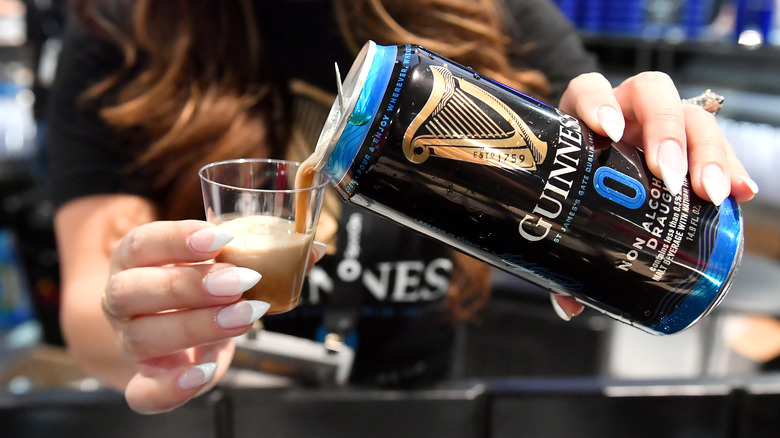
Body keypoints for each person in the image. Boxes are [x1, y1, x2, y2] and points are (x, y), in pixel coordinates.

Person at [46, 0, 758, 414]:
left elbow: (594, 111)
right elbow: (90, 300)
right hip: (224, 419)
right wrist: (149, 321)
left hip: (422, 414)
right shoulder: (126, 28)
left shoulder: (479, 12)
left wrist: (640, 150)